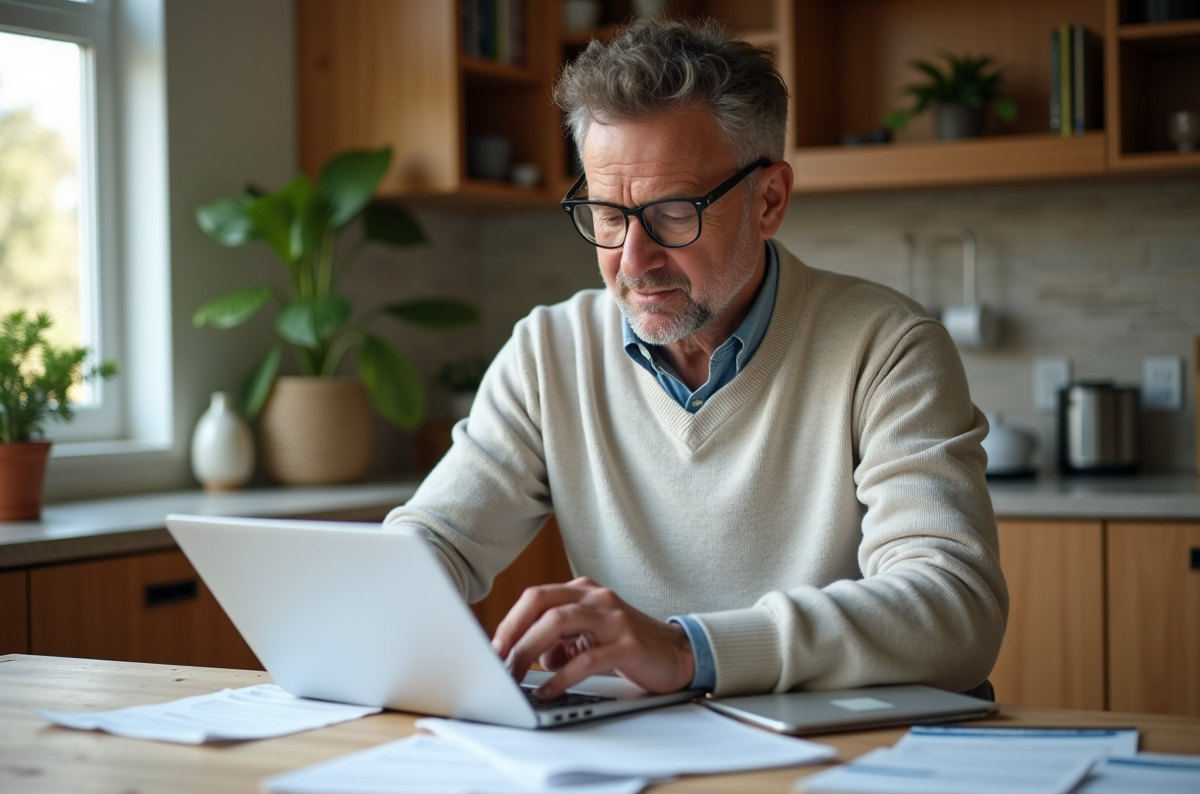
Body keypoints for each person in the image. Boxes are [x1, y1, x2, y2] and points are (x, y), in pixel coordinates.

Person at [384, 18, 1007, 702]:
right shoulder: (548, 352)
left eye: (673, 213)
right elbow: (438, 537)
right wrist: (388, 585)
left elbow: (956, 611)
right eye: (607, 214)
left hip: (847, 751)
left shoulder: (887, 347)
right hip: (645, 746)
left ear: (768, 200)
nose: (632, 261)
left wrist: (690, 650)